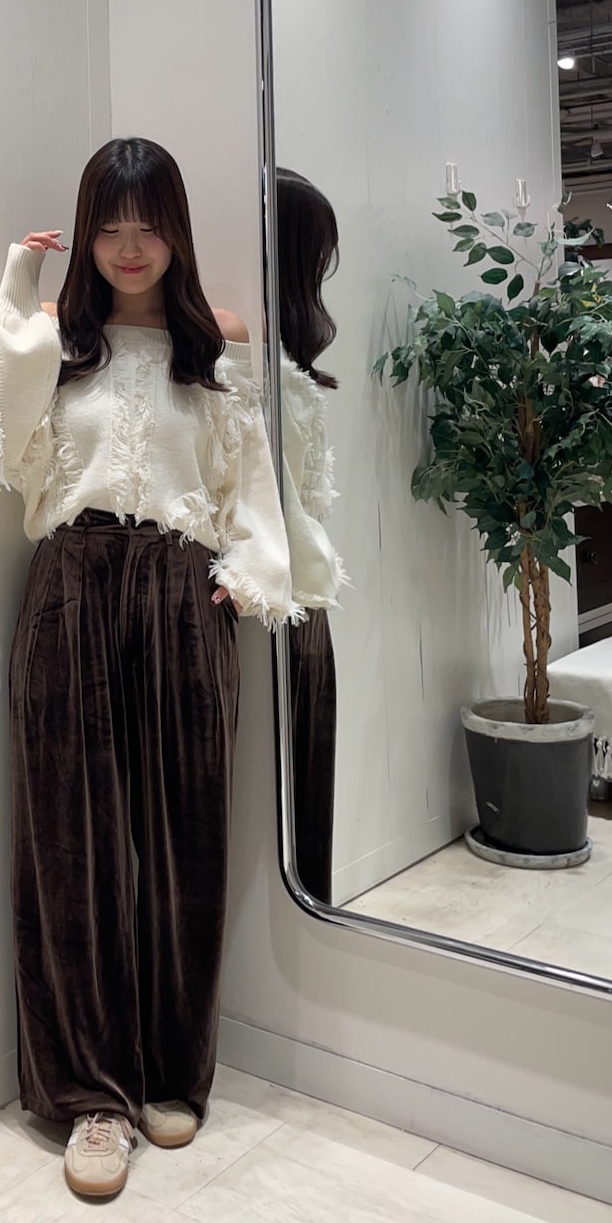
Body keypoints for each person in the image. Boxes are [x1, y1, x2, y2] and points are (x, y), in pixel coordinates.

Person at [0, 138, 298, 1199]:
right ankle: (92, 1098)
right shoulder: (60, 338)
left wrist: (248, 570)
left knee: (188, 838)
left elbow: (253, 475)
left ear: (176, 230)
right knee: (72, 847)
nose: (129, 246)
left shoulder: (218, 339)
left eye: (148, 225)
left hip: (185, 590)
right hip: (72, 581)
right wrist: (19, 283)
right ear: (87, 232)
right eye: (108, 225)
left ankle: (169, 1072)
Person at [276, 167, 348, 905]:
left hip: (296, 607)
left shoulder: (280, 374)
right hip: (285, 610)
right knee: (298, 813)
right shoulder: (265, 377)